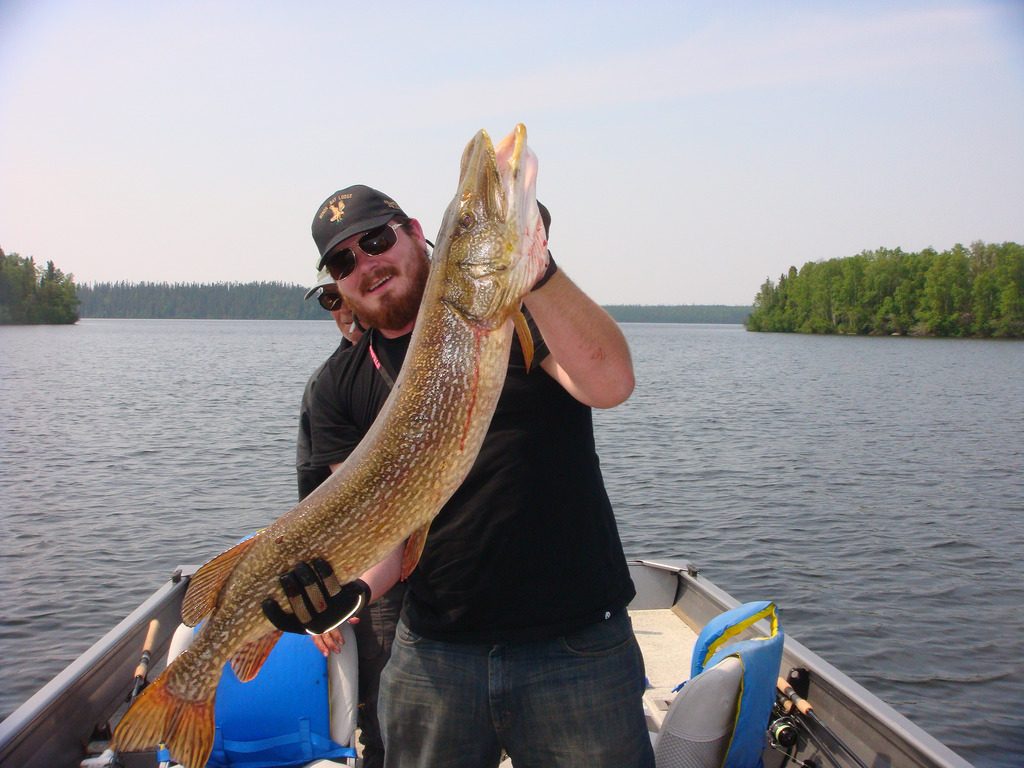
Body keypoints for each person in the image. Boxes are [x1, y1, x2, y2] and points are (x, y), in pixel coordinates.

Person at [269, 183, 652, 768]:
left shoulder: (514, 312)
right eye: (344, 260)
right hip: (434, 653)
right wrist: (347, 594)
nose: (366, 264)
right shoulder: (336, 388)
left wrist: (539, 272)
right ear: (336, 284)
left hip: (576, 644)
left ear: (419, 234)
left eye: (376, 240)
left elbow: (611, 385)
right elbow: (382, 534)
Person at [295, 270, 406, 768]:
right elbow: (316, 505)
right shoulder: (329, 387)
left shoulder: (424, 358)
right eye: (330, 301)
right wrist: (321, 599)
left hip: (454, 565)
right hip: (372, 574)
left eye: (347, 297)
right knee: (384, 713)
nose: (344, 309)